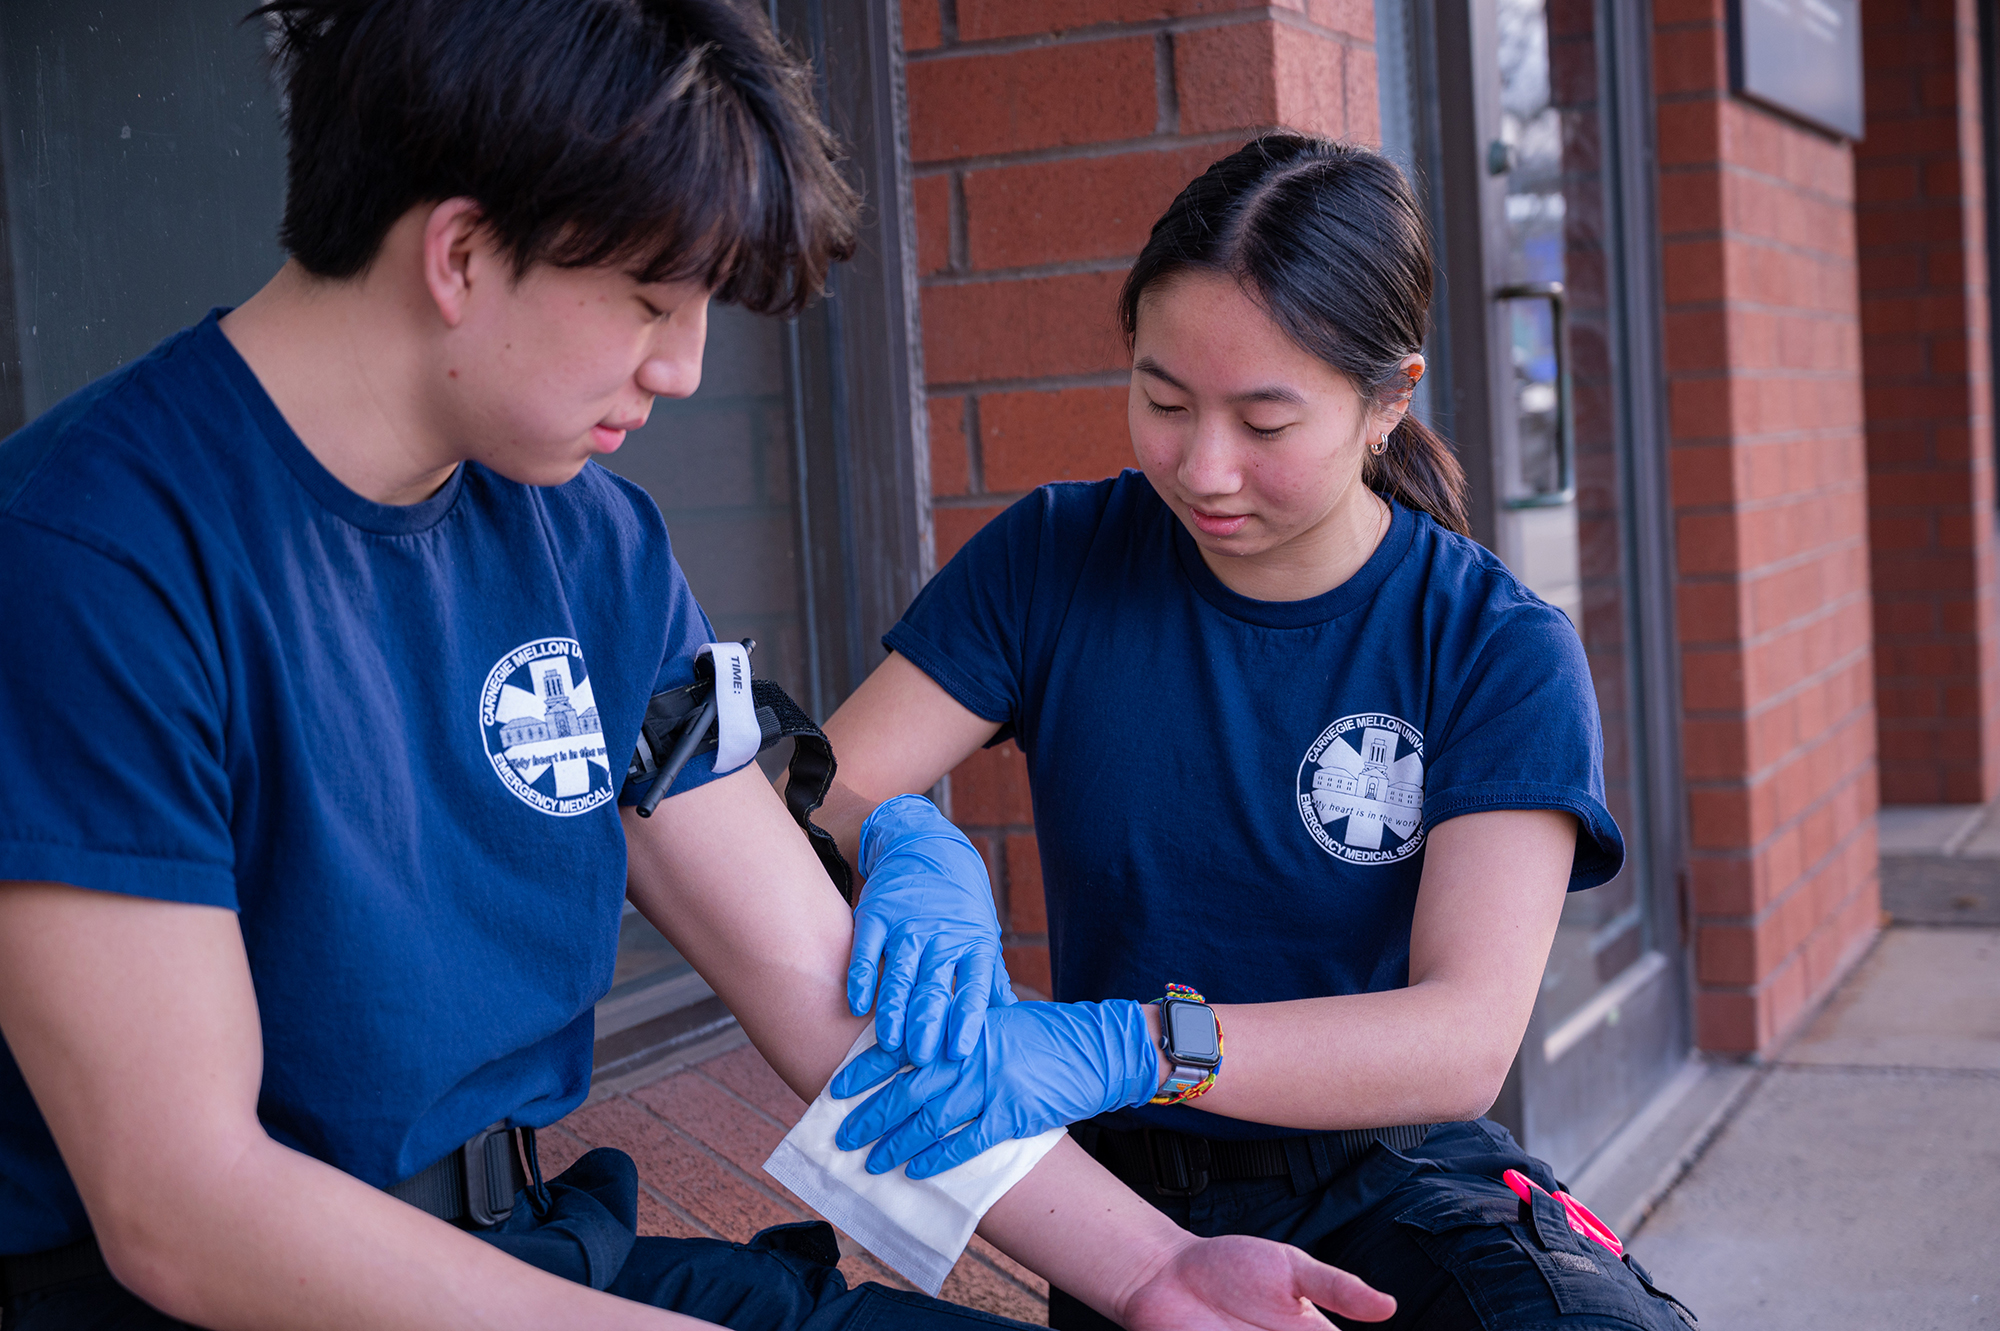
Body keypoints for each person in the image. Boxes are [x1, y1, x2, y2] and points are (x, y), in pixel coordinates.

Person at [0, 9, 1399, 1327]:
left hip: (532, 1249)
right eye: (654, 299)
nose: (684, 366)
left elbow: (807, 977)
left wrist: (1156, 1266)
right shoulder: (93, 555)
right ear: (462, 254)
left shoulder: (585, 536)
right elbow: (181, 1203)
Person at [807, 136, 1701, 1330]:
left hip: (1395, 1172)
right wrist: (912, 836)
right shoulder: (1058, 558)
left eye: (1264, 422)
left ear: (1389, 398)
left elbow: (1459, 1035)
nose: (1203, 468)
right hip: (1131, 1204)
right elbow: (826, 786)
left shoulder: (1492, 643)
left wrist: (1135, 1042)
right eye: (1162, 401)